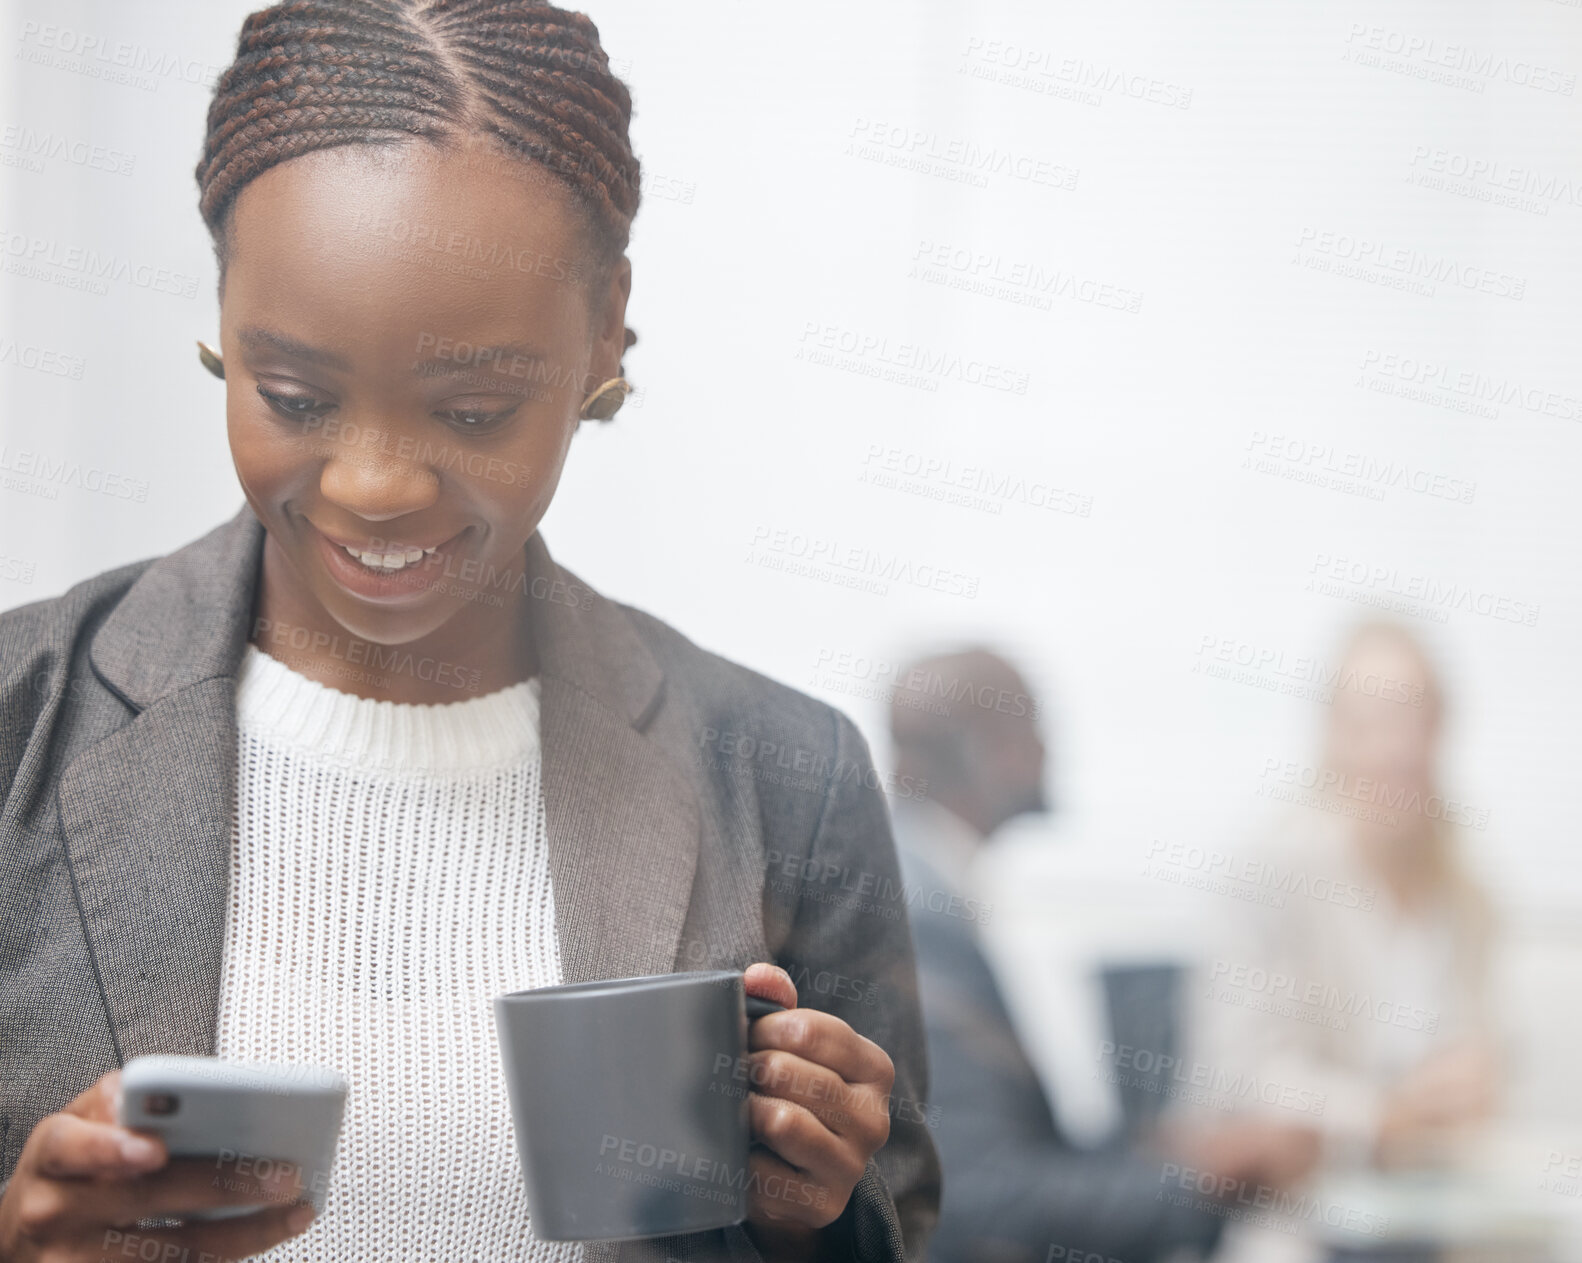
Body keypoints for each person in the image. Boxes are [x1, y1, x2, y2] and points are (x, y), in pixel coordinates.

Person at [0, 5, 940, 1260]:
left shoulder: (788, 776)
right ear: (223, 307)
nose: (375, 484)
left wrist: (818, 1215)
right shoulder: (20, 718)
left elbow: (911, 1231)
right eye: (295, 395)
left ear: (605, 325)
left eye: (474, 408)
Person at [887, 648, 1226, 1263]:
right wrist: (1202, 1183)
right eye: (1030, 726)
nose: (1048, 749)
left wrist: (1163, 1157)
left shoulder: (926, 882)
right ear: (984, 749)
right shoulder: (918, 915)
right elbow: (981, 1196)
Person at [1175, 620, 1500, 1261]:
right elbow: (1238, 1081)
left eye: (1416, 721)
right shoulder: (1271, 869)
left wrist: (1475, 1080)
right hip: (1297, 1215)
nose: (1397, 748)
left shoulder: (1466, 894)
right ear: (1333, 734)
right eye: (1373, 721)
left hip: (1438, 1205)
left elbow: (1489, 1047)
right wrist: (1387, 1112)